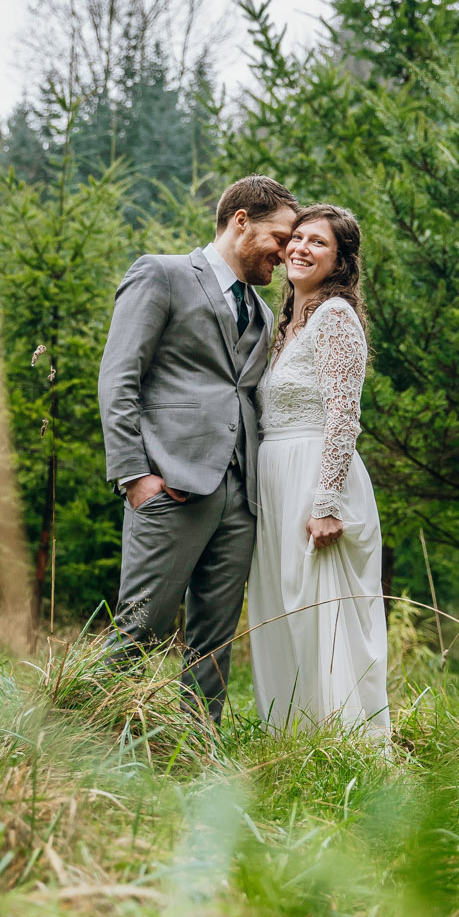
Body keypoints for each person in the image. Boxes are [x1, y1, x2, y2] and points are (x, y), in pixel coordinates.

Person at [97, 175, 297, 721]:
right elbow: (119, 378)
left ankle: (197, 751)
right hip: (169, 484)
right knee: (140, 627)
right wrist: (134, 475)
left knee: (212, 644)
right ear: (241, 222)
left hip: (239, 495)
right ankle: (84, 743)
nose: (286, 253)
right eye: (279, 238)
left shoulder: (261, 309)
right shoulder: (160, 274)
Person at [247, 204, 391, 739]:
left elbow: (343, 415)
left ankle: (347, 744)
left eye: (319, 243)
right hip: (276, 484)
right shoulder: (286, 325)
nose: (301, 249)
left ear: (341, 261)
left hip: (316, 481)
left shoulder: (335, 317)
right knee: (284, 612)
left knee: (322, 615)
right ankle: (292, 739)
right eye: (297, 238)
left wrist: (327, 502)